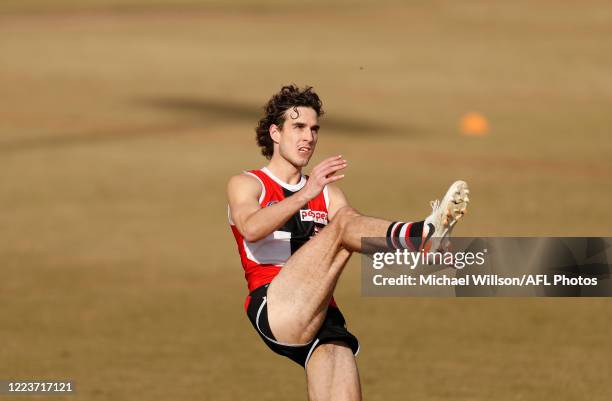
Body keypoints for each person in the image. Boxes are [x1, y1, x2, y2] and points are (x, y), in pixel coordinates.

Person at [227, 85, 469, 401]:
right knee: (341, 225)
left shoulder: (328, 193)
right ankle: (419, 235)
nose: (308, 137)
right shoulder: (248, 183)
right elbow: (250, 228)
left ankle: (422, 244)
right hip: (275, 304)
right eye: (298, 127)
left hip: (320, 312)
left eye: (314, 129)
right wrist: (306, 193)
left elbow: (358, 232)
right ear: (275, 132)